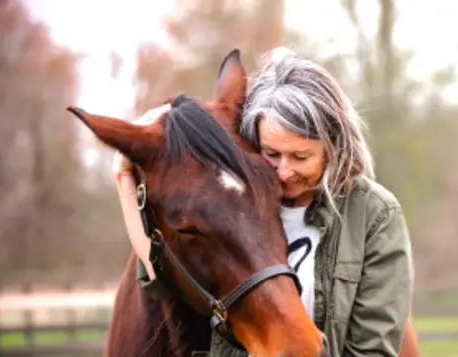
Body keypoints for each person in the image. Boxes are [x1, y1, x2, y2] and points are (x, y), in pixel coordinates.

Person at [112, 47, 418, 357]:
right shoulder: (237, 207)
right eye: (271, 154)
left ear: (333, 147)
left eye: (300, 156)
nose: (284, 172)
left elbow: (373, 349)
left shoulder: (374, 215)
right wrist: (125, 181)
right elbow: (164, 277)